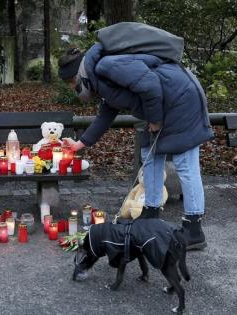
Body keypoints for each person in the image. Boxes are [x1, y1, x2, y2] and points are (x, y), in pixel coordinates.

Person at [58, 44, 214, 250]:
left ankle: (193, 230)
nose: (72, 88)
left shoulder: (107, 66)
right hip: (161, 104)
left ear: (79, 74)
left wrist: (156, 119)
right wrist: (80, 143)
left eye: (71, 82)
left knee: (185, 164)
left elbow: (149, 84)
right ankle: (150, 214)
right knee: (149, 155)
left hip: (181, 100)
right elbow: (107, 112)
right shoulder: (100, 78)